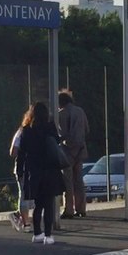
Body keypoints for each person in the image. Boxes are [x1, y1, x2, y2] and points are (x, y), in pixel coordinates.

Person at [16, 101, 67, 244]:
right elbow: (56, 144)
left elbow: (22, 153)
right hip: (50, 170)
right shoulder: (50, 128)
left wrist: (20, 170)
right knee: (49, 204)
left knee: (37, 205)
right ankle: (48, 235)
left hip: (34, 171)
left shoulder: (27, 130)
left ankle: (37, 233)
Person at [57, 90, 89, 219]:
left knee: (68, 181)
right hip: (81, 149)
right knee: (79, 180)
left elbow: (61, 133)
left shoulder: (61, 114)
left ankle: (68, 209)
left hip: (67, 151)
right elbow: (87, 129)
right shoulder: (80, 111)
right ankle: (81, 208)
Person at [7, 108, 34, 233]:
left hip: (22, 167)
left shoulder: (21, 132)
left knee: (25, 194)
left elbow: (13, 152)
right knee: (26, 195)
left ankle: (20, 216)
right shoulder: (38, 132)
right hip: (30, 168)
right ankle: (25, 222)